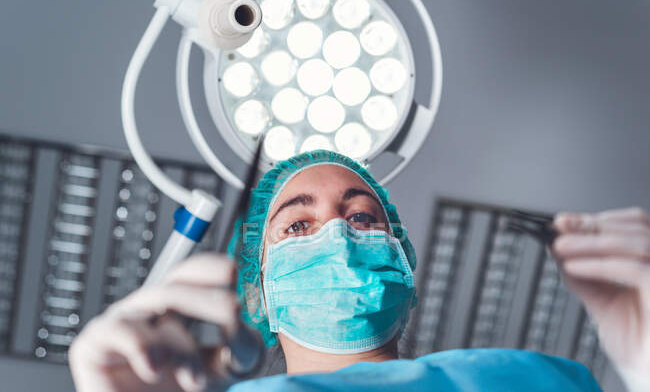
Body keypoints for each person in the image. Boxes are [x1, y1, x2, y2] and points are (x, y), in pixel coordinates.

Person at [69, 150, 650, 392]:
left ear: (406, 267)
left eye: (365, 219)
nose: (339, 235)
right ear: (257, 296)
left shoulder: (525, 381)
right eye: (297, 227)